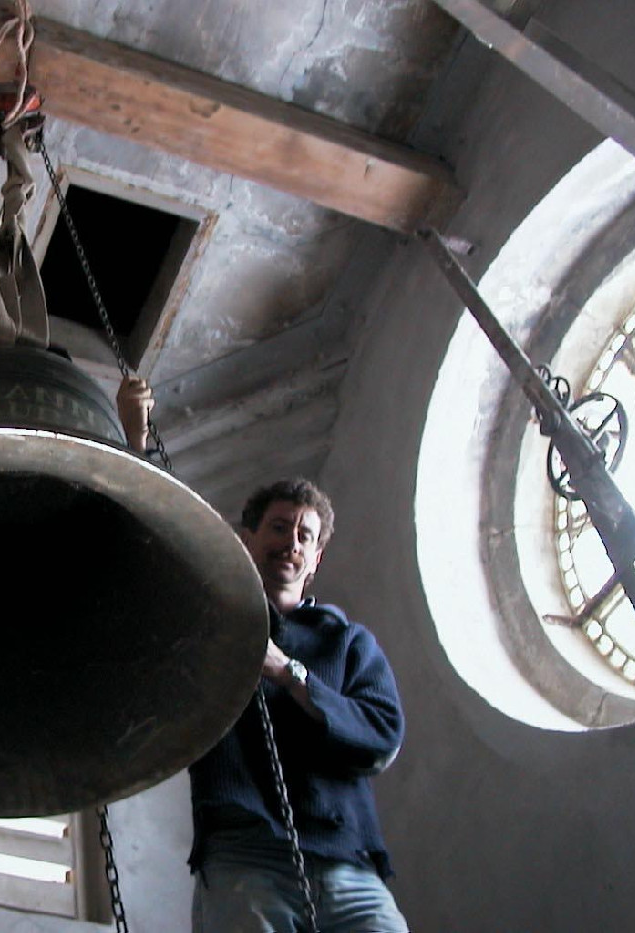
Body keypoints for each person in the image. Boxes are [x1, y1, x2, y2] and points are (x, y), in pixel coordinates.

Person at [115, 377, 407, 933]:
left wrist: (288, 673)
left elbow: (380, 737)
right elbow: (154, 551)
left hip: (350, 866)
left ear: (315, 560)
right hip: (244, 855)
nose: (290, 542)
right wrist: (136, 440)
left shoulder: (348, 642)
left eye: (304, 535)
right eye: (278, 527)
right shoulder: (208, 620)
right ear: (247, 538)